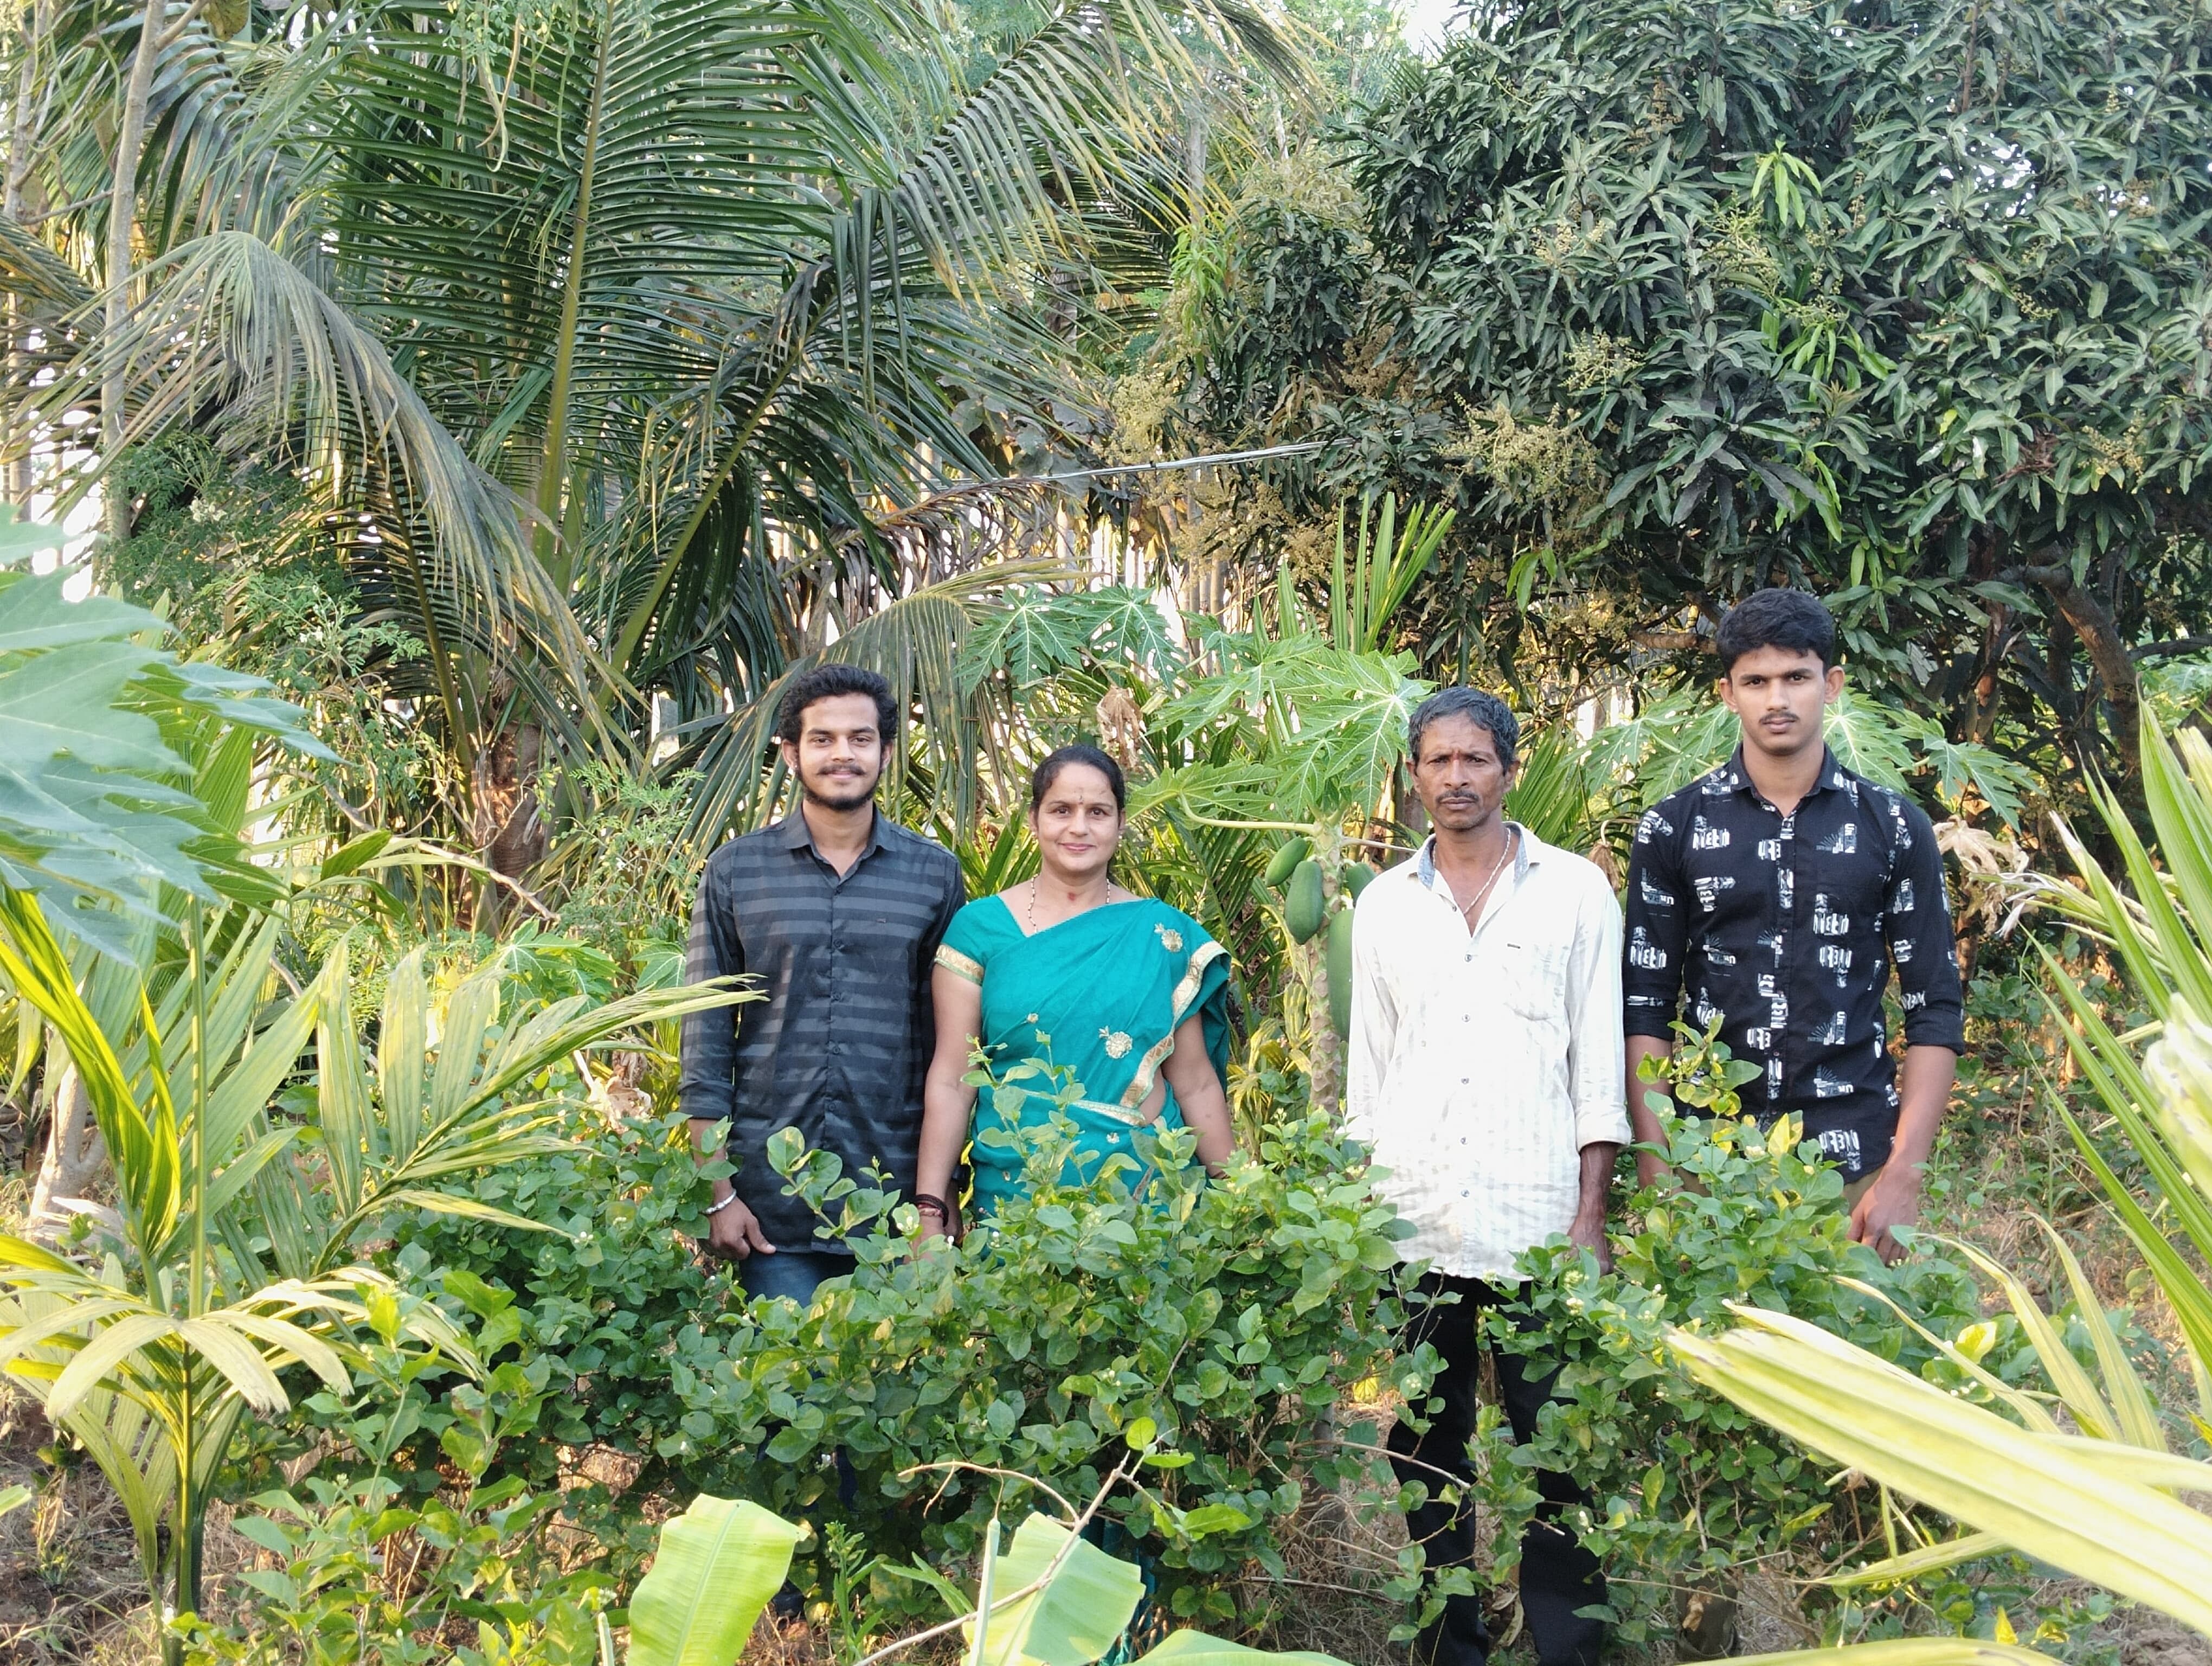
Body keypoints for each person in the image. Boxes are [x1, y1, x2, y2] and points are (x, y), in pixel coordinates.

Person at [1347, 687, 1626, 1666]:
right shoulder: (1383, 904)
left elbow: (1598, 1070)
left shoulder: (1577, 891)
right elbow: (1367, 1078)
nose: (1456, 778)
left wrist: (1590, 1216)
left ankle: (1569, 1652)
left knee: (1561, 1455)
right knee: (1429, 1451)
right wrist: (1358, 1224)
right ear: (1414, 775)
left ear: (1509, 768)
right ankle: (1452, 1646)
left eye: (1475, 759)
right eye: (1438, 760)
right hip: (1415, 1223)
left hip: (1538, 1223)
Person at [1621, 587, 1964, 1263]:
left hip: (1855, 1168)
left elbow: (1935, 1008)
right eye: (1756, 681)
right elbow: (1647, 1008)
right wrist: (1661, 1171)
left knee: (1857, 1363)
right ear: (1728, 694)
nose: (1776, 699)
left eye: (1796, 678)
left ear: (1830, 685)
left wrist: (1904, 1175)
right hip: (1709, 1161)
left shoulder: (1893, 826)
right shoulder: (1675, 827)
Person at [679, 663, 966, 1304]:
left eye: (861, 739)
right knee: (782, 1397)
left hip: (893, 1205)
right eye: (823, 739)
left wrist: (935, 1195)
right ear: (791, 753)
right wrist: (719, 1192)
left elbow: (949, 1049)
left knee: (899, 1396)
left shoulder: (934, 876)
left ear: (886, 752)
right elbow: (705, 1047)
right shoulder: (735, 873)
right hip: (768, 1212)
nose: (843, 754)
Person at [914, 745, 1235, 1234]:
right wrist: (930, 1211)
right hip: (1019, 1200)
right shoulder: (979, 931)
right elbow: (953, 1082)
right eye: (1062, 810)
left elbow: (1194, 1082)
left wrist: (1244, 1205)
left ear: (1121, 823)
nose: (1079, 828)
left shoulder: (1161, 934)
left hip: (1149, 1203)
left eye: (1098, 812)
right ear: (1034, 819)